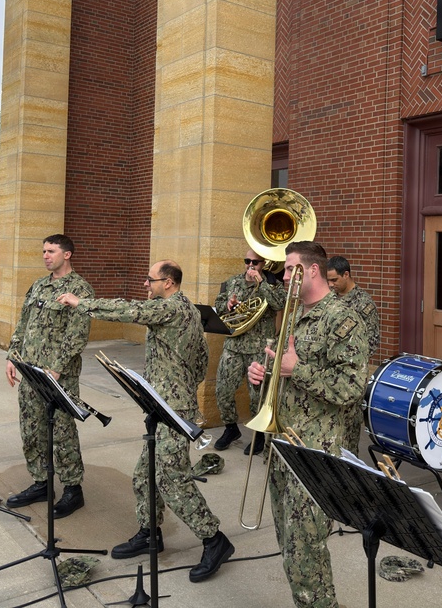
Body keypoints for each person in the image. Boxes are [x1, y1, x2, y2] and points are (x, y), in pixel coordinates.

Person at [56, 260, 234, 583]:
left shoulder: (171, 308)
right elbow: (201, 359)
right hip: (163, 403)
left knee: (171, 478)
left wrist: (82, 303)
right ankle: (150, 532)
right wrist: (181, 384)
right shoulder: (189, 310)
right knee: (144, 474)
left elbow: (128, 311)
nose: (145, 285)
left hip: (173, 409)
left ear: (168, 282)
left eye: (150, 280)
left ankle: (214, 539)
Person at [247, 241, 369, 608]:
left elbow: (351, 389)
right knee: (289, 543)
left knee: (306, 546)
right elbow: (282, 370)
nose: (283, 276)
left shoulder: (343, 319)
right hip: (282, 442)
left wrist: (296, 369)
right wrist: (262, 374)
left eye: (289, 269)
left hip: (314, 449)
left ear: (312, 270)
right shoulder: (294, 313)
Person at [4, 234, 93, 519]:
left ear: (67, 254)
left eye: (51, 251)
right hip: (30, 370)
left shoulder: (80, 289)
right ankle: (41, 482)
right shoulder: (39, 285)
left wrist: (56, 367)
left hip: (59, 376)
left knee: (62, 431)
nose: (45, 256)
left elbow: (77, 335)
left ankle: (72, 489)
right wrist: (12, 356)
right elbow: (23, 323)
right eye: (43, 251)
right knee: (31, 427)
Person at [212, 249, 287, 455]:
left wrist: (261, 283)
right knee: (223, 390)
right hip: (233, 346)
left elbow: (280, 304)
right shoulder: (232, 282)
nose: (250, 265)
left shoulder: (273, 284)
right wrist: (228, 305)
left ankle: (259, 435)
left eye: (255, 262)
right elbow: (218, 305)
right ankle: (230, 428)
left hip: (259, 348)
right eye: (247, 261)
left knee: (257, 396)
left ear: (264, 263)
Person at [326, 255, 381, 453]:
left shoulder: (363, 303)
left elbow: (373, 340)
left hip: (351, 377)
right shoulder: (329, 299)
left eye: (334, 280)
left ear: (346, 275)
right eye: (328, 280)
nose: (330, 284)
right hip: (328, 376)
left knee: (348, 435)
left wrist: (349, 360)